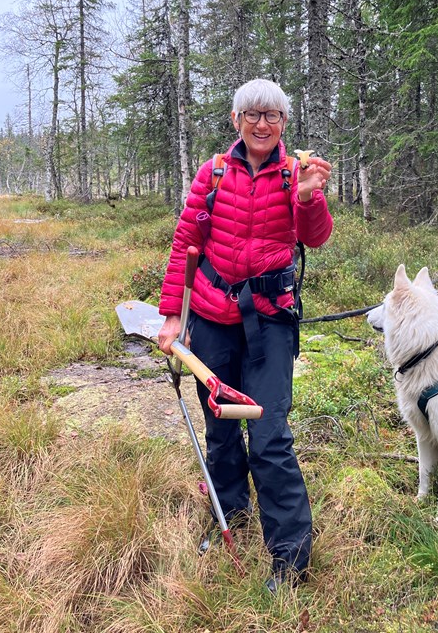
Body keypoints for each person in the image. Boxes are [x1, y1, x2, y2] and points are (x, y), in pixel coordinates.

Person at [158, 78, 333, 592]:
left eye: (273, 115)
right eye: (252, 114)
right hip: (212, 317)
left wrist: (308, 198)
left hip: (271, 320)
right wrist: (173, 314)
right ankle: (229, 513)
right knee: (220, 426)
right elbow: (186, 240)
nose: (262, 124)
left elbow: (316, 237)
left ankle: (290, 558)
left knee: (270, 433)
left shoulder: (295, 173)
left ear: (284, 124)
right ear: (236, 121)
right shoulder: (212, 173)